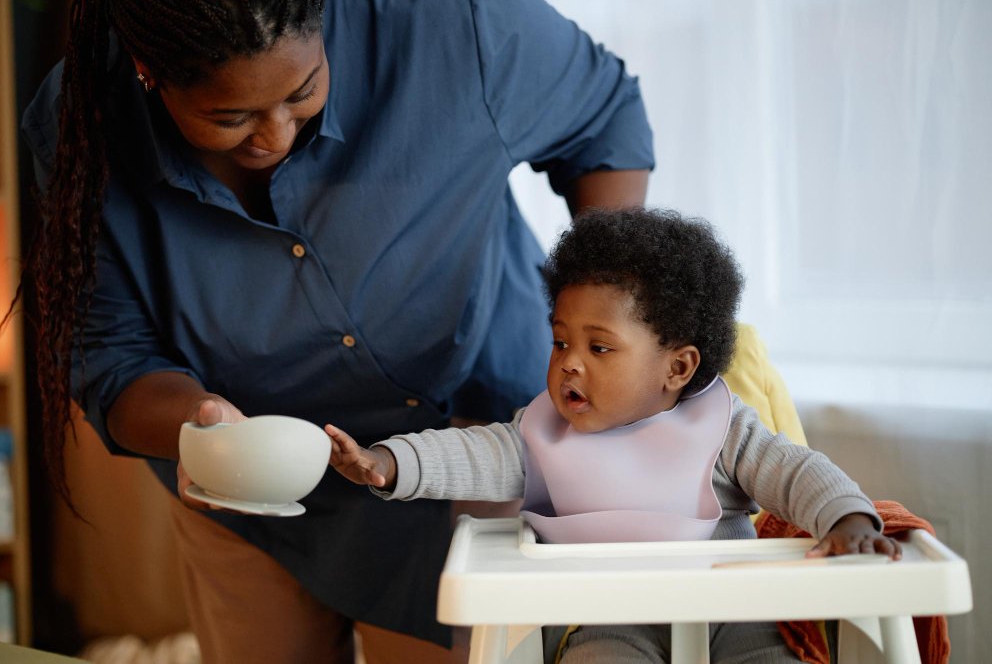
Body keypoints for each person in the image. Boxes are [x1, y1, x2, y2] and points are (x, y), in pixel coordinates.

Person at [19, 0, 652, 663]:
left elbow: (604, 114)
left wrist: (603, 306)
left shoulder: (447, 26)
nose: (276, 137)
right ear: (150, 71)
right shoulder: (82, 122)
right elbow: (109, 355)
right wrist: (198, 424)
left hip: (464, 448)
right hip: (251, 495)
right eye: (228, 117)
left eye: (303, 92)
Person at [328, 207, 903, 663]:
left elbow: (797, 471)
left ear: (676, 369)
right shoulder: (542, 434)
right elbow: (469, 453)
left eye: (599, 347)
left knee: (770, 654)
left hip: (732, 604)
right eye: (560, 342)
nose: (570, 363)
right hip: (601, 612)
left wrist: (846, 518)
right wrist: (390, 461)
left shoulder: (723, 428)